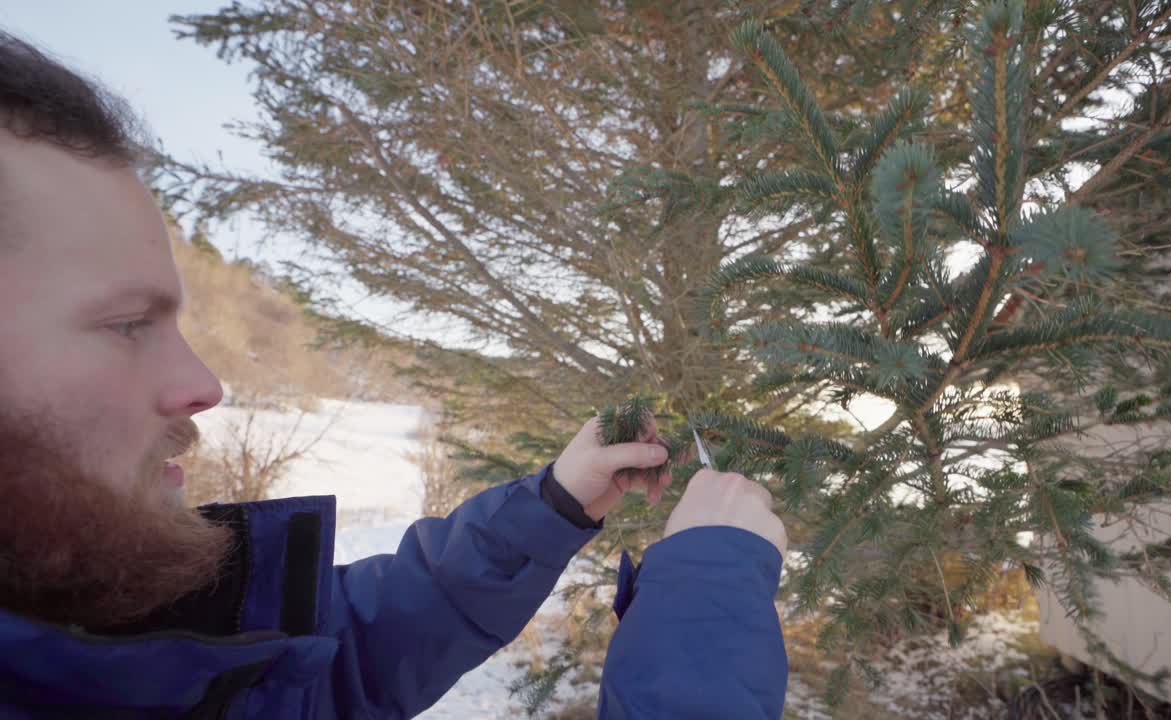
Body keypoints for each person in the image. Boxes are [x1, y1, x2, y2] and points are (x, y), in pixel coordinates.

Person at [0, 31, 789, 719]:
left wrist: (551, 503)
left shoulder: (108, 641)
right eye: (127, 324)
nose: (205, 383)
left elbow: (331, 663)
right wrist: (706, 598)